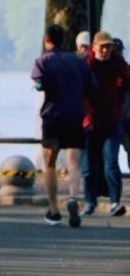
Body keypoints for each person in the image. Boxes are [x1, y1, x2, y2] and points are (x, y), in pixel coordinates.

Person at [33, 22, 96, 227]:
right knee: (74, 164)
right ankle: (73, 197)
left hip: (52, 117)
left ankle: (53, 210)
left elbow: (39, 83)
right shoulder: (78, 63)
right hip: (75, 117)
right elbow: (92, 87)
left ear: (47, 40)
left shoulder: (43, 61)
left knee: (49, 164)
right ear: (65, 40)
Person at [83, 31, 130, 216]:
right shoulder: (85, 64)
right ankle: (89, 202)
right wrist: (86, 118)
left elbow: (127, 83)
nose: (105, 50)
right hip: (90, 122)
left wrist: (118, 104)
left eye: (108, 46)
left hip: (111, 120)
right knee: (88, 167)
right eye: (102, 46)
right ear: (94, 47)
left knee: (111, 163)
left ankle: (115, 202)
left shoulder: (118, 64)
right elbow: (80, 92)